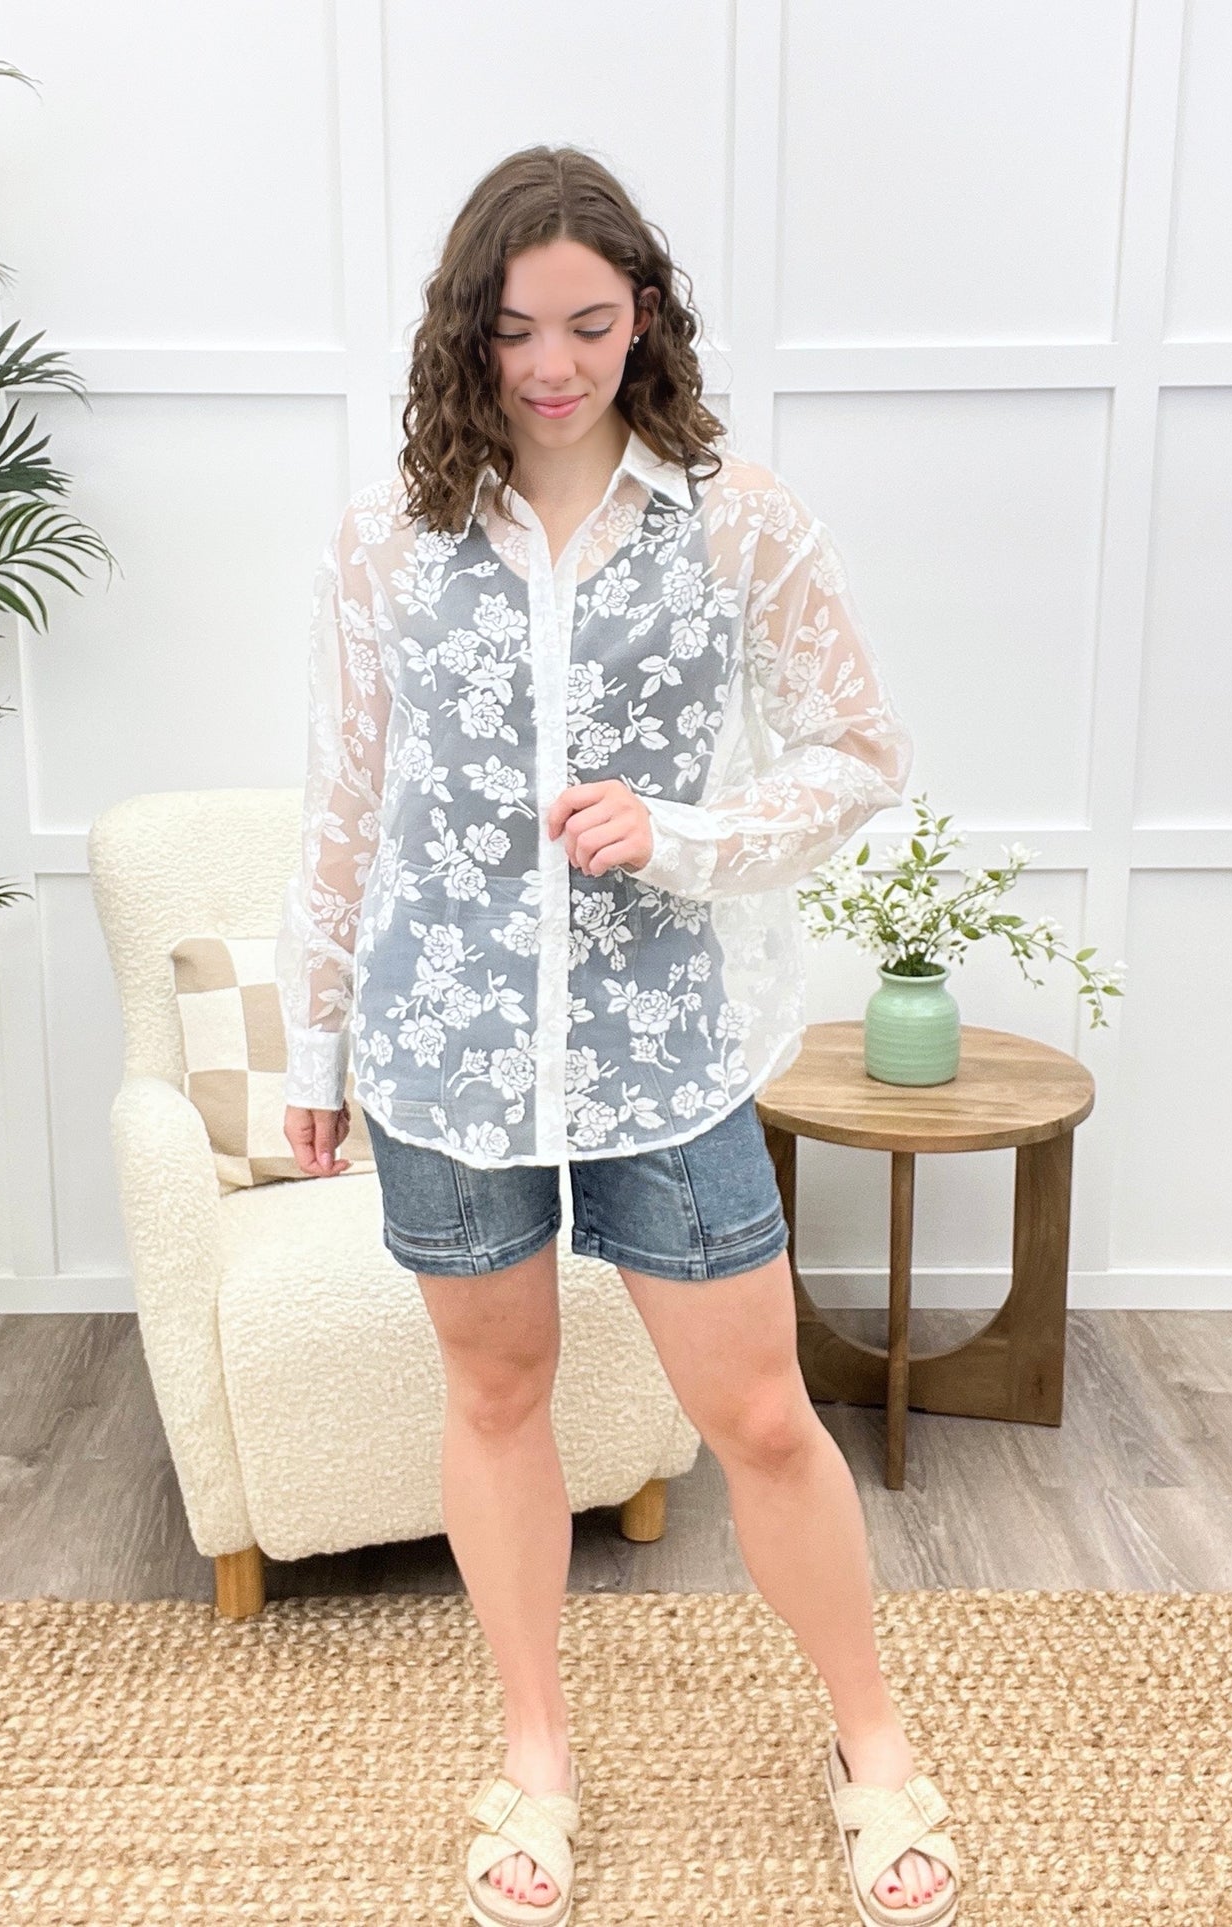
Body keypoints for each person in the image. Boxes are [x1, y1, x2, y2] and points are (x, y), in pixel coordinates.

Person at [276, 145, 960, 1926]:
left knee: (757, 1415)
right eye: (516, 331)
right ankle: (536, 1755)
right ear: (467, 332)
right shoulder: (387, 538)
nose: (553, 365)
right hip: (445, 1045)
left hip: (664, 1049)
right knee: (495, 1394)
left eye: (587, 323)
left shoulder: (739, 520)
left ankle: (871, 1743)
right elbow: (345, 805)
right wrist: (311, 1050)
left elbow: (859, 753)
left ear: (642, 314)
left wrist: (685, 833)